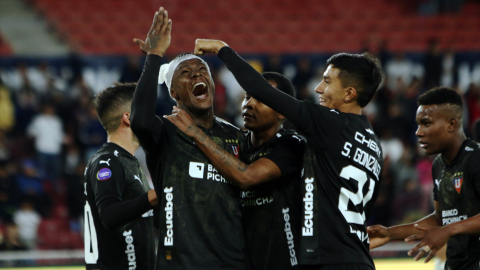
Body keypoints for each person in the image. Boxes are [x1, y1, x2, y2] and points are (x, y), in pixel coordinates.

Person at [193, 39, 384, 270]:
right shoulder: (372, 143)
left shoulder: (330, 123)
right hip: (359, 258)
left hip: (330, 260)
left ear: (349, 93)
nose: (318, 88)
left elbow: (262, 90)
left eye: (327, 81)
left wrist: (222, 50)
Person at [130, 8, 248, 270]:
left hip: (234, 263)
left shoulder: (236, 136)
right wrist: (154, 57)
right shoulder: (166, 130)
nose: (196, 75)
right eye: (185, 73)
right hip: (181, 264)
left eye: (201, 70)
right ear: (173, 92)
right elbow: (139, 120)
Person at [165, 72, 306, 270]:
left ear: (282, 110)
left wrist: (195, 132)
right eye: (248, 96)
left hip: (286, 261)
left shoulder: (292, 145)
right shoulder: (237, 144)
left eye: (261, 99)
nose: (249, 104)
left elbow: (246, 176)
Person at [368, 87, 480, 270]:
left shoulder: (475, 158)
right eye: (418, 124)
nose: (418, 132)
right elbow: (440, 217)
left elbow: (447, 226)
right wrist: (390, 233)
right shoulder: (439, 165)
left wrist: (448, 230)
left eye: (426, 123)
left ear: (452, 124)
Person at [84, 82, 157, 270]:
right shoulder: (107, 162)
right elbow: (108, 215)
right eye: (145, 111)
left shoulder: (127, 161)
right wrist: (157, 194)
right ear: (128, 118)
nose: (151, 118)